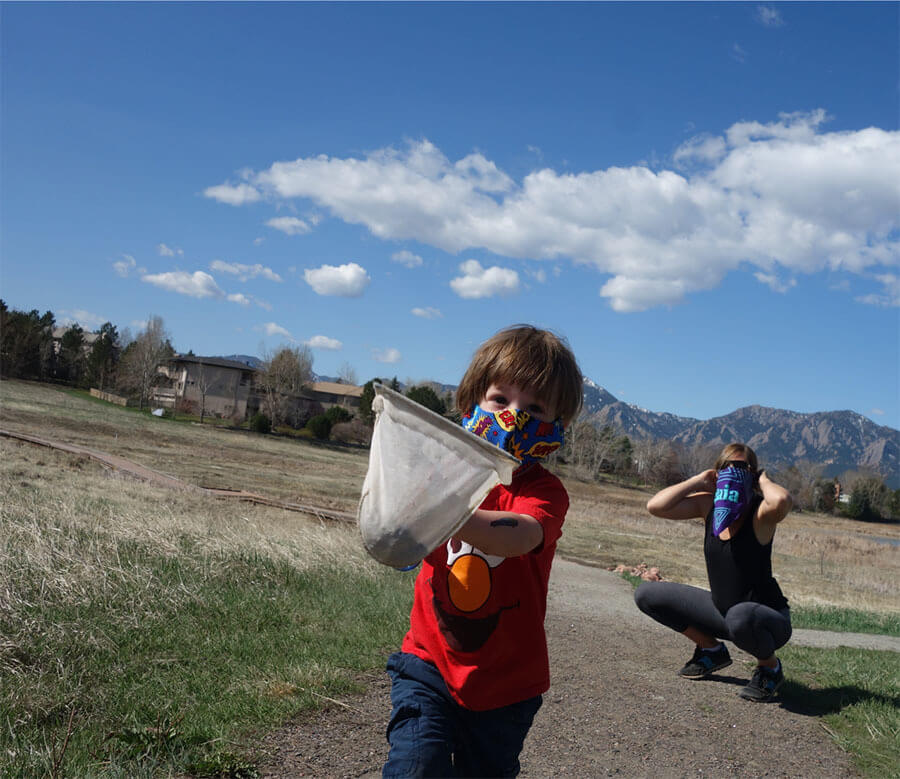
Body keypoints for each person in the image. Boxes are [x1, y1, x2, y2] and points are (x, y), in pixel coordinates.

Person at [383, 324, 583, 778]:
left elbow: (518, 535)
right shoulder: (439, 474)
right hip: (428, 663)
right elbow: (395, 527)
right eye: (500, 399)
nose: (515, 416)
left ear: (556, 427)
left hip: (508, 685)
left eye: (534, 408)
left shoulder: (544, 492)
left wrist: (449, 512)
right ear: (471, 400)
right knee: (414, 768)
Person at [634, 443, 793, 702]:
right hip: (724, 613)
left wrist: (761, 479)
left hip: (767, 620)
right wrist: (699, 480)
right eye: (726, 467)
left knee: (740, 615)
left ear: (751, 473)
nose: (733, 472)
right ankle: (711, 650)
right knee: (647, 594)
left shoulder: (759, 513)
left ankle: (769, 667)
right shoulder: (709, 508)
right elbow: (656, 506)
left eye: (741, 467)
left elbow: (782, 500)